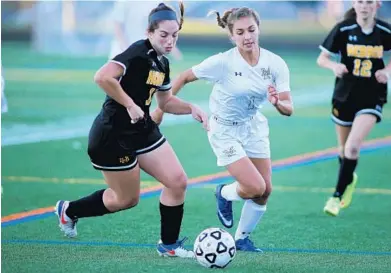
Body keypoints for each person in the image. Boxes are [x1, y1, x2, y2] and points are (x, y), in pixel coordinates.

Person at [55, 2, 209, 258]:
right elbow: (102, 77)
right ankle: (69, 210)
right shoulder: (138, 52)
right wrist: (129, 104)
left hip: (141, 130)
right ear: (149, 32)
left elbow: (166, 102)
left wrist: (192, 108)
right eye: (164, 35)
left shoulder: (163, 63)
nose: (170, 41)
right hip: (112, 136)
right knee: (127, 199)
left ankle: (168, 246)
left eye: (175, 35)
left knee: (178, 181)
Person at [152, 7, 293, 252]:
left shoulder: (275, 63)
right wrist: (161, 109)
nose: (247, 36)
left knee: (265, 191)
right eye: (240, 32)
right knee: (253, 187)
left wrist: (277, 103)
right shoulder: (222, 61)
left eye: (251, 30)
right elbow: (184, 76)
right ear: (231, 36)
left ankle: (241, 239)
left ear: (258, 29)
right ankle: (224, 193)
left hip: (253, 127)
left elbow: (288, 107)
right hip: (224, 129)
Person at [317, 0, 390, 216]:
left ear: (377, 5)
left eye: (369, 2)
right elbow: (322, 58)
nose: (364, 6)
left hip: (371, 96)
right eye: (360, 1)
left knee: (352, 148)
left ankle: (336, 197)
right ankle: (349, 178)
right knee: (343, 150)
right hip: (344, 96)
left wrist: (387, 71)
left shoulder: (384, 30)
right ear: (354, 5)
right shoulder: (343, 29)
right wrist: (334, 66)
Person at [109, 0, 182, 60]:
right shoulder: (124, 2)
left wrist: (172, 47)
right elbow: (117, 25)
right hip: (122, 49)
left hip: (147, 49)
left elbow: (164, 25)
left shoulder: (157, 2)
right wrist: (125, 48)